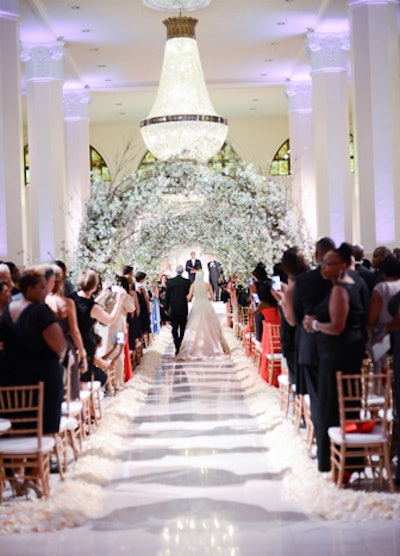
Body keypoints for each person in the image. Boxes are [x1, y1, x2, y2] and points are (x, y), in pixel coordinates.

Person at [303, 243, 365, 474]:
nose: (323, 267)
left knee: (333, 407)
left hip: (336, 355)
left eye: (328, 264)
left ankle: (337, 463)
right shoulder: (354, 283)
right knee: (348, 404)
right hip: (348, 352)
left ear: (341, 266)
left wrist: (314, 324)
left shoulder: (340, 289)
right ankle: (350, 462)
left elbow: (337, 326)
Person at [0, 267, 66, 436]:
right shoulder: (40, 311)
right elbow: (59, 345)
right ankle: (44, 454)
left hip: (11, 375)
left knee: (18, 423)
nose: (46, 291)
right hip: (42, 377)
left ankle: (23, 458)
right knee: (44, 424)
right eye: (42, 287)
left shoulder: (7, 309)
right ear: (29, 288)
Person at [71, 269, 127, 386]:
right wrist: (119, 300)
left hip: (70, 343)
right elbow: (111, 319)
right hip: (85, 345)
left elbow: (84, 306)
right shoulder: (92, 307)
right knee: (83, 384)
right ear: (95, 286)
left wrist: (103, 295)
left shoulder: (72, 298)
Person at [46, 265, 88, 400]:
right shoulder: (67, 303)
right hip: (66, 347)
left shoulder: (41, 302)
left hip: (47, 347)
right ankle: (73, 419)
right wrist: (82, 353)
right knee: (70, 388)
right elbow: (75, 330)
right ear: (61, 282)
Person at [177, 271, 230, 358]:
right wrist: (205, 298)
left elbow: (189, 297)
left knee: (195, 325)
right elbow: (212, 298)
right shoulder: (207, 285)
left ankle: (196, 346)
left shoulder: (193, 285)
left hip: (197, 305)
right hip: (206, 305)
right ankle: (211, 345)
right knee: (209, 325)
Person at [165, 264, 191, 355]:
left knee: (174, 328)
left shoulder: (170, 282)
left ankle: (177, 344)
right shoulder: (187, 282)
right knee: (183, 327)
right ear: (183, 271)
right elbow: (188, 294)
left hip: (173, 308)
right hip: (183, 306)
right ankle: (180, 341)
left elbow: (167, 296)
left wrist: (166, 307)